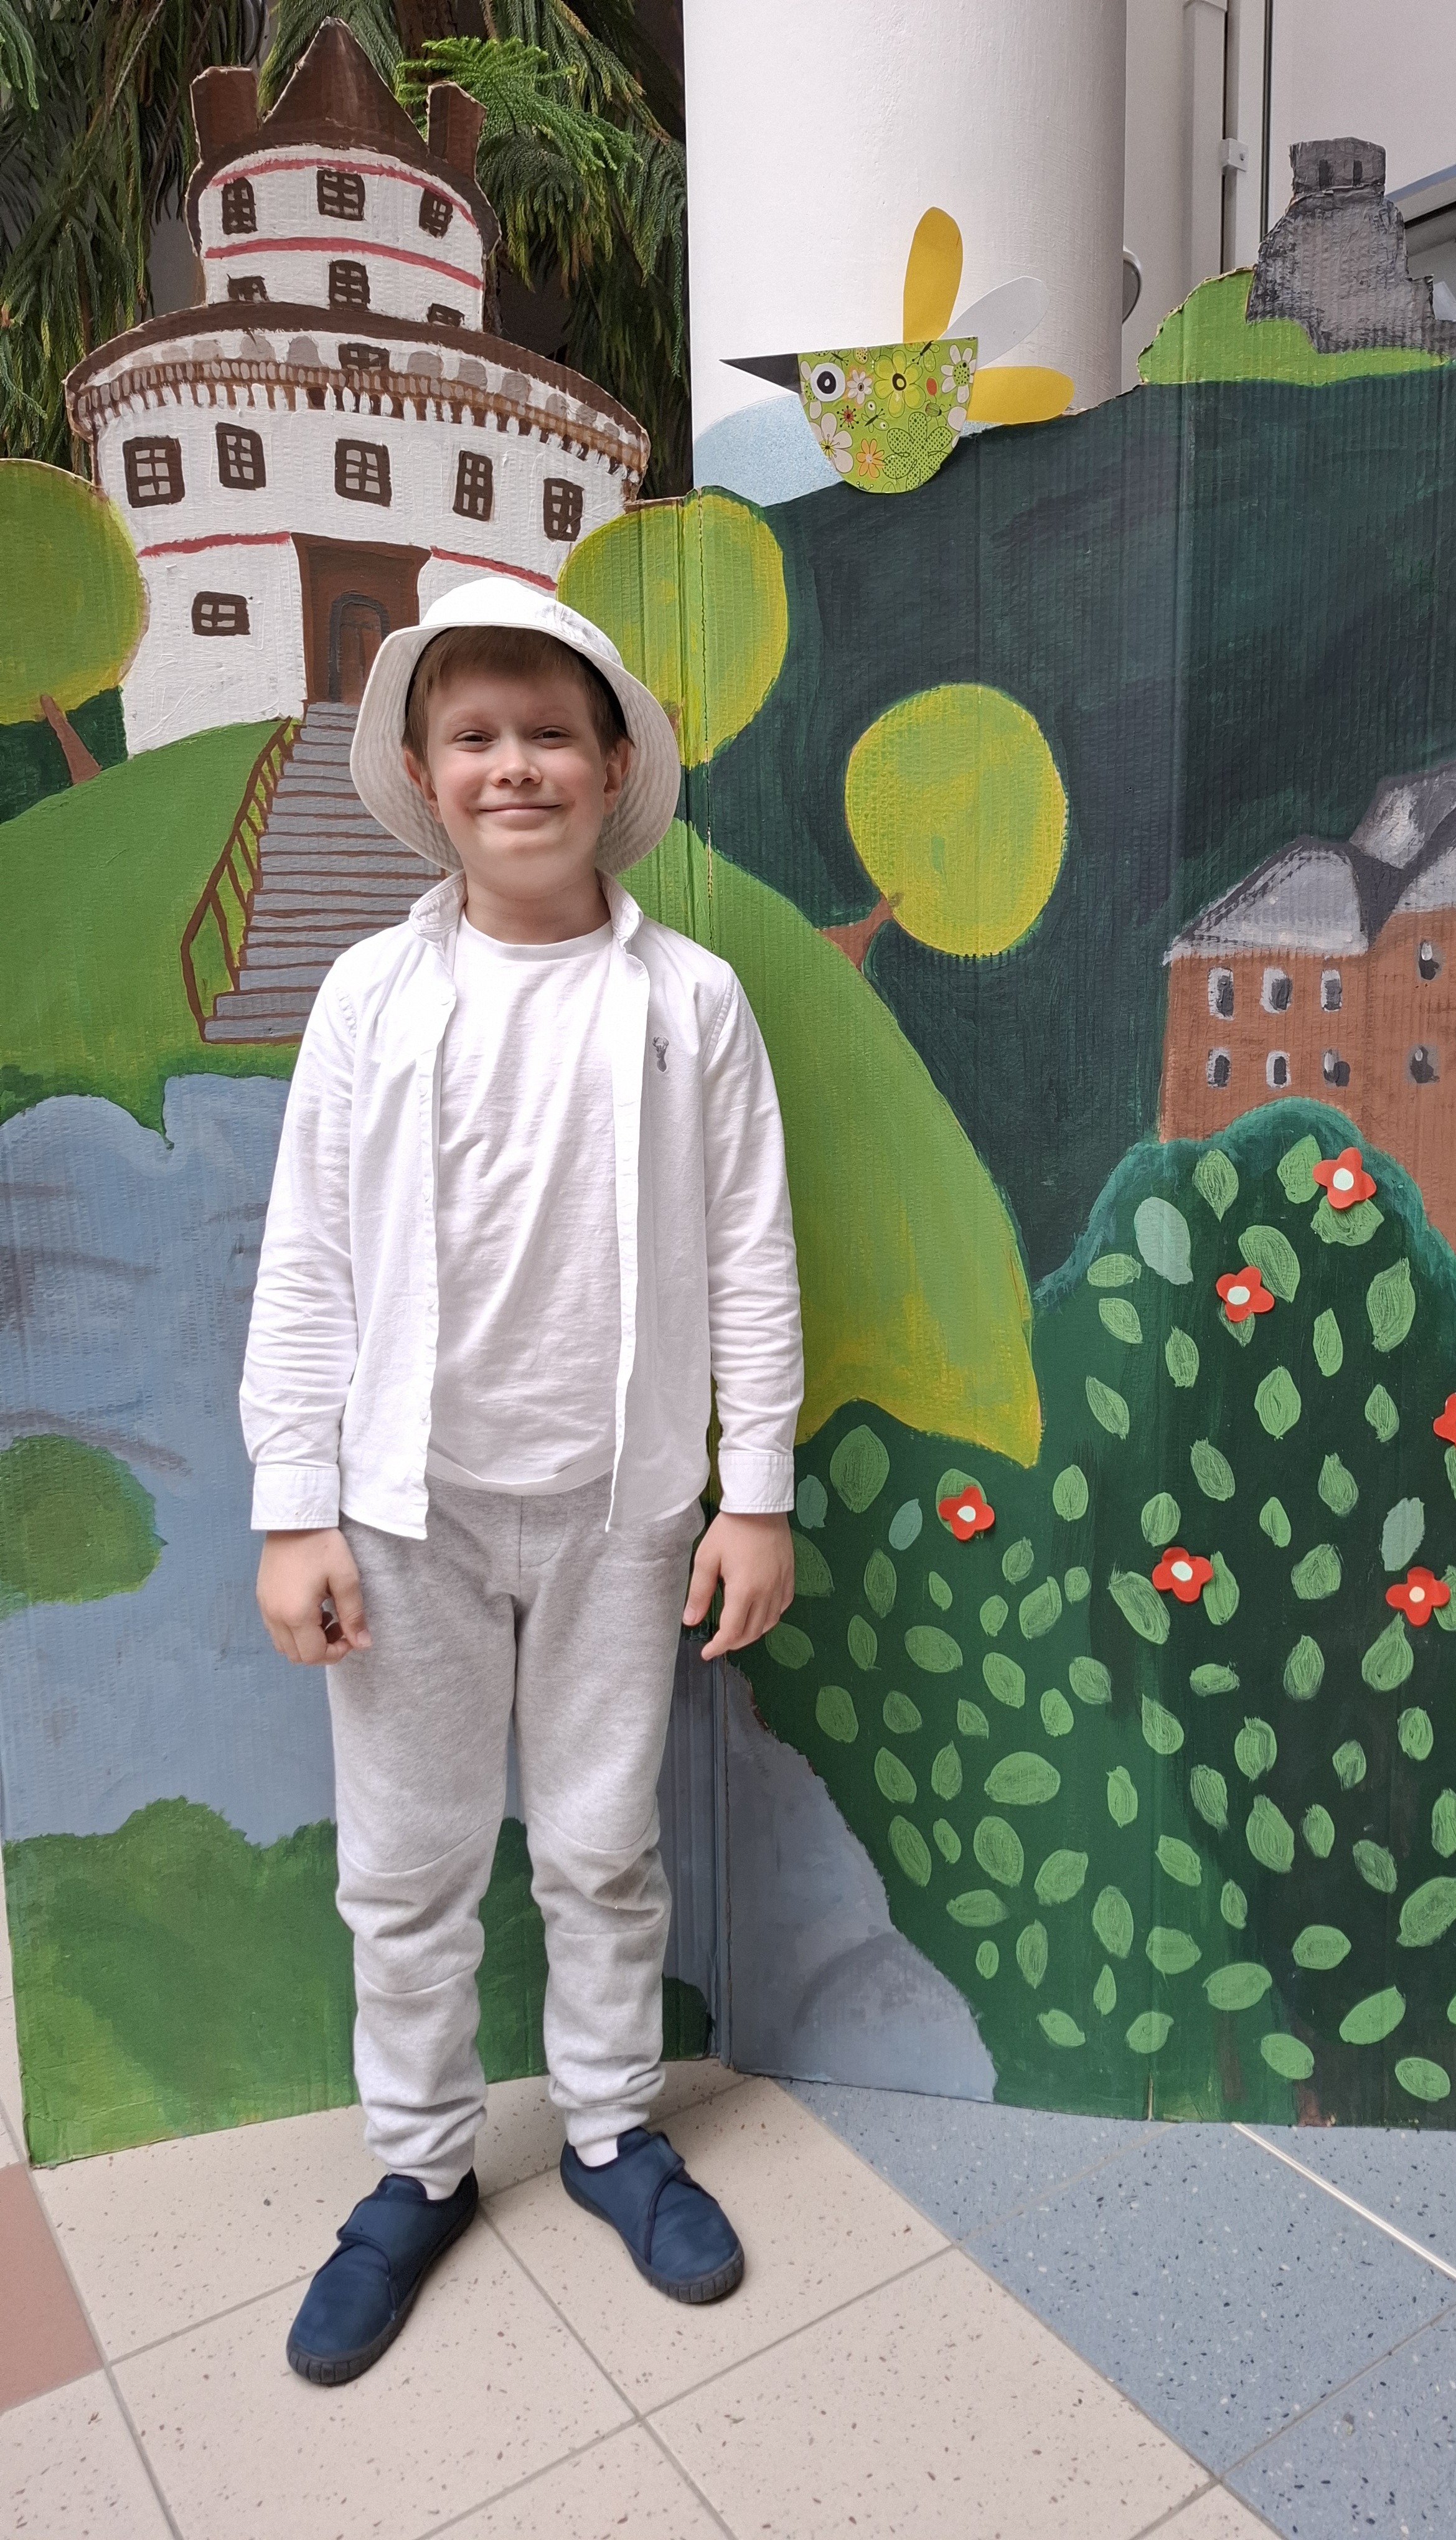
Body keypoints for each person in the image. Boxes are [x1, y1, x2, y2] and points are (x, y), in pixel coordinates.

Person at [240, 575, 802, 2386]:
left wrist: (754, 1492)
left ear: (612, 761)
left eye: (550, 733)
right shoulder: (372, 996)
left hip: (620, 1508)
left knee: (598, 1844)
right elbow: (308, 1256)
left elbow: (750, 1252)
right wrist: (294, 1506)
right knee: (405, 1865)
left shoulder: (689, 1001)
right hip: (403, 1509)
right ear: (423, 773)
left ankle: (613, 2132)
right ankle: (417, 2166)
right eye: (474, 738)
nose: (515, 767)